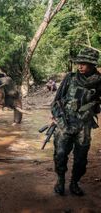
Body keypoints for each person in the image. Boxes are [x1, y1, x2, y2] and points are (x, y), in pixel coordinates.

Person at [51, 47, 101, 196]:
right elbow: (57, 100)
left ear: (92, 65)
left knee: (81, 158)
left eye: (84, 63)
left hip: (84, 126)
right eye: (78, 63)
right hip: (65, 123)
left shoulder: (98, 82)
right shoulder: (70, 78)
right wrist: (55, 116)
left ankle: (74, 183)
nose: (80, 66)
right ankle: (60, 180)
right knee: (60, 154)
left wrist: (93, 106)